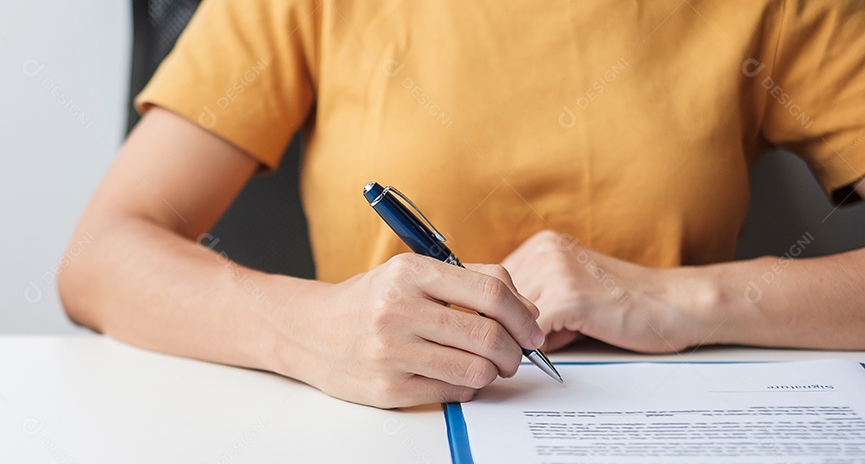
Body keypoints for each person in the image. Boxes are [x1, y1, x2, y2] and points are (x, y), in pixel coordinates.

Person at [58, 0, 865, 408]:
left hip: (661, 446)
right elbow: (101, 258)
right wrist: (312, 329)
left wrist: (689, 298)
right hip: (381, 446)